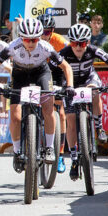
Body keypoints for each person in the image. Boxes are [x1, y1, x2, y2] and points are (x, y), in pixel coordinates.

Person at [0, 18, 74, 172]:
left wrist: (70, 86)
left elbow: (66, 67)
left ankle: (49, 147)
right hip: (20, 75)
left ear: (39, 37)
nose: (31, 43)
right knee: (15, 116)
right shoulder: (13, 46)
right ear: (21, 38)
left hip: (41, 73)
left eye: (34, 39)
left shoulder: (45, 47)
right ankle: (17, 151)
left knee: (48, 109)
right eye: (27, 39)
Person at [61, 23, 108, 180]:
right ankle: (74, 159)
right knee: (70, 119)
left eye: (82, 43)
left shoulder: (93, 50)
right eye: (74, 43)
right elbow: (50, 68)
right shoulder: (64, 53)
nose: (78, 47)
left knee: (95, 90)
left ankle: (99, 127)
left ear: (88, 42)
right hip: (70, 83)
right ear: (70, 42)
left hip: (88, 79)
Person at [38, 13, 69, 173]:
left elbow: (67, 64)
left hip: (56, 73)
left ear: (53, 31)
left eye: (48, 32)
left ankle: (60, 154)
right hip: (38, 72)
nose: (44, 35)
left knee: (61, 113)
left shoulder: (60, 42)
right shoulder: (32, 40)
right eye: (42, 31)